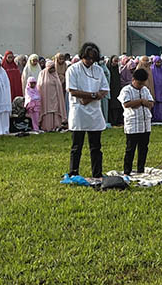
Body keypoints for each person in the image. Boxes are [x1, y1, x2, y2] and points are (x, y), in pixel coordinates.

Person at [65, 42, 110, 181]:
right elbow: (72, 90)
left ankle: (97, 173)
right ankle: (73, 172)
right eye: (88, 58)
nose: (90, 61)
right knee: (76, 146)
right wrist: (92, 95)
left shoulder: (98, 70)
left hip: (94, 111)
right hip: (79, 111)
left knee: (96, 146)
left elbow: (104, 89)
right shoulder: (73, 69)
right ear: (82, 56)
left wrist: (90, 98)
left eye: (93, 59)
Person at [119, 68, 154, 176]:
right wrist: (141, 101)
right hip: (133, 123)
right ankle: (127, 171)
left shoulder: (145, 90)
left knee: (143, 148)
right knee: (130, 149)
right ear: (133, 79)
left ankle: (140, 169)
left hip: (145, 123)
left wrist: (141, 103)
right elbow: (126, 104)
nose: (141, 86)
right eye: (139, 83)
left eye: (143, 83)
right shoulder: (126, 90)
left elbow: (151, 103)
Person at [38, 61, 66, 132]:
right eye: (51, 68)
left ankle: (56, 126)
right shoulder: (42, 74)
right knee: (47, 110)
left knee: (55, 109)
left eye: (53, 68)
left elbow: (59, 86)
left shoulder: (55, 75)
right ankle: (47, 126)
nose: (52, 70)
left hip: (55, 96)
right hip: (46, 97)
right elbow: (40, 85)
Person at [150, 56, 162, 123]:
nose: (158, 63)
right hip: (155, 88)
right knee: (156, 103)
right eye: (157, 62)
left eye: (159, 62)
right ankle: (155, 117)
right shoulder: (151, 70)